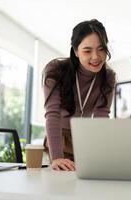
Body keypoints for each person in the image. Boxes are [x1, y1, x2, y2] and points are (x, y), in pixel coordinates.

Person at [42, 19, 116, 171]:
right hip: (57, 140)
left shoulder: (108, 77)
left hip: (85, 141)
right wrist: (56, 158)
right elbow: (52, 114)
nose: (95, 57)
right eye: (87, 51)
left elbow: (101, 117)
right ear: (76, 51)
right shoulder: (55, 70)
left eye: (101, 49)